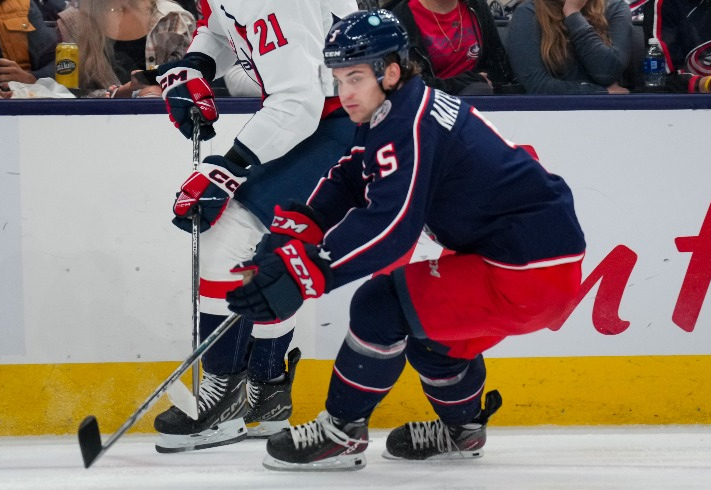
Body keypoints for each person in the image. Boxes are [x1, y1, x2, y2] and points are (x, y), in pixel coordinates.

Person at [225, 9, 586, 471]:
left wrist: (306, 271)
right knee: (431, 338)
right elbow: (353, 175)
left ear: (390, 71)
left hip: (525, 270)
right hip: (533, 261)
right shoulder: (395, 107)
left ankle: (341, 432)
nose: (344, 92)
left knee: (381, 306)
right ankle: (463, 431)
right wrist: (299, 231)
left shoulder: (408, 124)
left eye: (355, 77)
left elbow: (391, 228)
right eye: (337, 78)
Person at [148, 0, 358, 453]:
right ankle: (267, 389)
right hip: (336, 114)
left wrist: (230, 168)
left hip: (344, 121)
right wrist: (198, 62)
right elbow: (224, 26)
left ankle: (222, 395)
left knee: (227, 233)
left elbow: (299, 101)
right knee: (271, 251)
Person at [56, 0, 195, 98]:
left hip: (161, 126)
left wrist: (154, 91)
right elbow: (68, 96)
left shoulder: (174, 19)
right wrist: (119, 93)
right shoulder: (72, 23)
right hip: (92, 127)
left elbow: (187, 86)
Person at [386, 0, 516, 95]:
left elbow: (499, 68)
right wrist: (469, 80)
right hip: (429, 106)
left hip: (480, 101)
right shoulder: (401, 18)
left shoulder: (477, 7)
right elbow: (412, 85)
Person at [506, 0, 633, 94]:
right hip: (552, 116)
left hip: (611, 116)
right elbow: (535, 85)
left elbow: (606, 72)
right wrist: (600, 92)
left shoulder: (615, 8)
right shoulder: (528, 12)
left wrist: (573, 14)